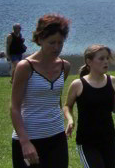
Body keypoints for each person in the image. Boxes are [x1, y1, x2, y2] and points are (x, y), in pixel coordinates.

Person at [11, 13, 71, 168]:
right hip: (29, 139)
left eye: (60, 43)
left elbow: (54, 99)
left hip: (57, 137)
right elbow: (15, 107)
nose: (56, 48)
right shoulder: (25, 67)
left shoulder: (65, 66)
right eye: (52, 43)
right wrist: (25, 142)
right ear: (39, 40)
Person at [63, 45, 115, 168]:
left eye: (107, 58)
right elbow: (67, 106)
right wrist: (71, 120)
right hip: (87, 142)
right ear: (89, 62)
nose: (106, 62)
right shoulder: (78, 84)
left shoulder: (112, 81)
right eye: (101, 59)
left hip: (108, 139)